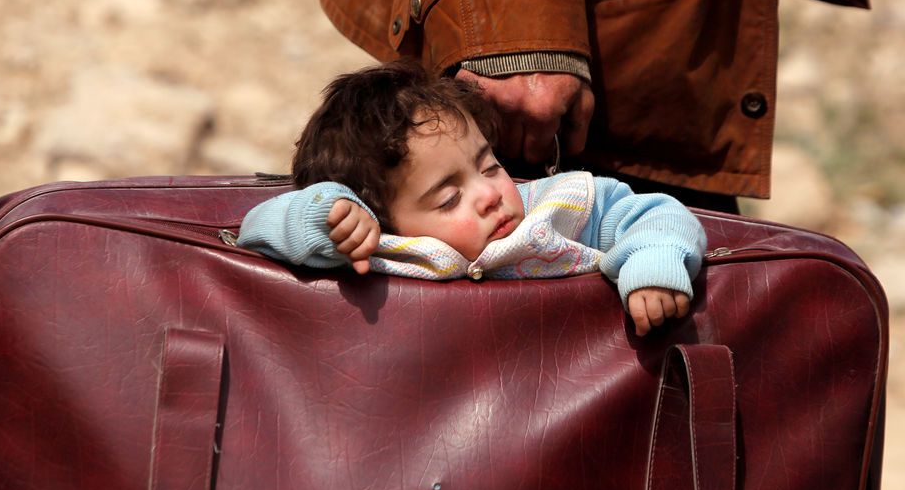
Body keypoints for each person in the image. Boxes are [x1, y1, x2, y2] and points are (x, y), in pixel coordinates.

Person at [299, 0, 869, 212]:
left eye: (486, 176)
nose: (485, 201)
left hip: (660, 38)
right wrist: (514, 29)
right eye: (451, 199)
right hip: (542, 63)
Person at [238, 61, 707, 336]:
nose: (488, 194)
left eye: (489, 166)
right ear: (384, 220)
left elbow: (659, 214)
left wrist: (653, 266)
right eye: (447, 199)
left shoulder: (558, 207)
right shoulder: (379, 248)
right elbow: (255, 230)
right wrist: (331, 215)